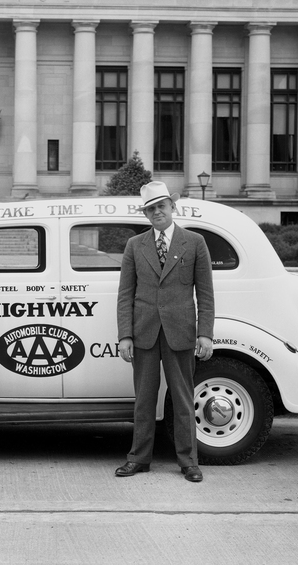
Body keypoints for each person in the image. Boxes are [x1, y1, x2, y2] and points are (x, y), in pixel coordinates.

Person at [115, 181, 215, 483]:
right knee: (144, 399)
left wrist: (205, 333)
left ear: (173, 207)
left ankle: (188, 461)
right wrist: (125, 335)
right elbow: (125, 294)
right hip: (144, 332)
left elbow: (206, 293)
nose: (157, 212)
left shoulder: (194, 242)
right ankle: (139, 458)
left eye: (161, 206)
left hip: (180, 332)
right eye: (151, 208)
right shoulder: (136, 245)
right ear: (145, 214)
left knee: (183, 399)